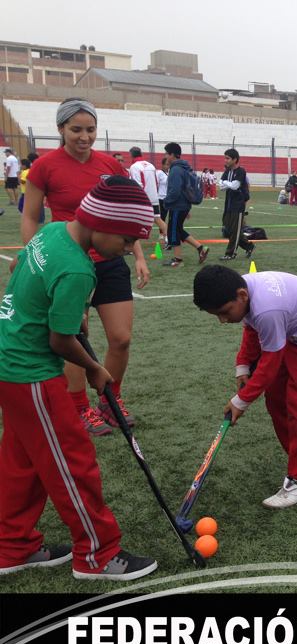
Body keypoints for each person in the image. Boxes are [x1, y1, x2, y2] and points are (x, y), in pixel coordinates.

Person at [0, 176, 158, 581]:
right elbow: (58, 340)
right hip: (30, 371)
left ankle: (10, 546)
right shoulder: (78, 270)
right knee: (73, 462)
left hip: (9, 362)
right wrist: (93, 368)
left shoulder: (53, 231)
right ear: (102, 222)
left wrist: (71, 316)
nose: (126, 250)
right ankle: (97, 555)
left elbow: (24, 276)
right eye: (125, 241)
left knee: (23, 462)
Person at [22, 98, 150, 436]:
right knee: (74, 338)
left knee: (121, 338)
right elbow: (31, 216)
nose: (84, 136)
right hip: (69, 265)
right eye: (76, 129)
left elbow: (127, 216)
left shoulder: (111, 165)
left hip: (109, 263)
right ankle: (79, 407)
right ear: (61, 129)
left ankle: (110, 400)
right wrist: (33, 253)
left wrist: (137, 254)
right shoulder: (44, 167)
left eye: (90, 129)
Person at [193, 265, 297, 509]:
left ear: (241, 296)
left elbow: (270, 363)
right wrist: (243, 366)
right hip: (295, 332)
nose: (222, 320)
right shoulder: (243, 290)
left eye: (223, 312)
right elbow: (251, 327)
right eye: (216, 315)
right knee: (275, 398)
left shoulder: (268, 308)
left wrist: (240, 400)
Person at [161, 142, 208, 268]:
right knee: (178, 229)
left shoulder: (176, 169)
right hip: (183, 205)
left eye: (166, 153)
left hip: (177, 205)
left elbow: (175, 190)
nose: (165, 156)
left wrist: (166, 202)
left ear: (172, 154)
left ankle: (178, 260)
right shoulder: (184, 167)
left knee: (173, 231)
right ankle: (201, 248)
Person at [127, 146, 172, 250]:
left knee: (133, 221)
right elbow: (156, 183)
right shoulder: (151, 165)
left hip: (142, 199)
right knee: (158, 219)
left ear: (131, 155)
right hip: (154, 198)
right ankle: (168, 240)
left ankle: (130, 245)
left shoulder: (134, 167)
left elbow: (137, 185)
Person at [219, 148, 255, 260]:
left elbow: (235, 186)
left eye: (228, 158)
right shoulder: (227, 171)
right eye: (225, 158)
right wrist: (227, 183)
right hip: (228, 204)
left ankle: (230, 253)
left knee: (235, 231)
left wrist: (226, 183)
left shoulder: (241, 171)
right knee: (228, 229)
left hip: (238, 204)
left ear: (235, 159)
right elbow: (221, 186)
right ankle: (249, 245)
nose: (225, 160)